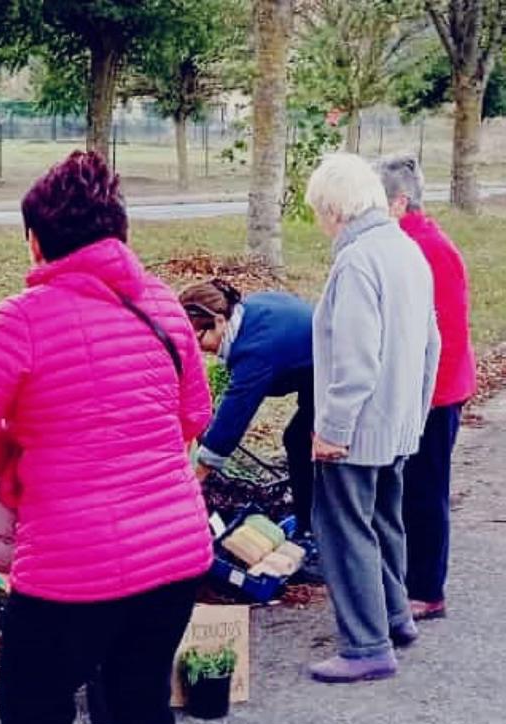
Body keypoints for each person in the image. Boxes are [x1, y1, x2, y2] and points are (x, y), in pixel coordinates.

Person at [0, 151, 213, 724]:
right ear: (118, 232)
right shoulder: (166, 307)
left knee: (32, 710)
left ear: (36, 240)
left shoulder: (23, 318)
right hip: (174, 557)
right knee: (143, 706)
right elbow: (193, 417)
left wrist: (21, 446)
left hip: (71, 572)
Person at [304, 153, 440, 684]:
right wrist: (416, 413)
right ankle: (396, 614)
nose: (318, 222)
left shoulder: (357, 261)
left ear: (336, 209)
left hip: (358, 427)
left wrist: (330, 431)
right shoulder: (407, 250)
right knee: (386, 520)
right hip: (399, 420)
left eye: (318, 211)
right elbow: (432, 342)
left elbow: (354, 361)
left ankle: (366, 644)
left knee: (344, 528)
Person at [375, 154, 477, 622]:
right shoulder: (402, 244)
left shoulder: (431, 251)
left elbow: (449, 335)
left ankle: (427, 588)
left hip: (435, 394)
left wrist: (422, 399)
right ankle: (405, 578)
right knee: (409, 488)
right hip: (415, 391)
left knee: (425, 490)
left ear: (398, 202)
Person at [179, 280, 315, 535]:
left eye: (198, 338)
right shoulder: (249, 312)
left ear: (219, 321)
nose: (199, 348)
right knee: (298, 439)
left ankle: (309, 529)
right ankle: (307, 515)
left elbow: (236, 413)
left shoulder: (255, 349)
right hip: (316, 370)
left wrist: (197, 475)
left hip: (334, 377)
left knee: (300, 441)